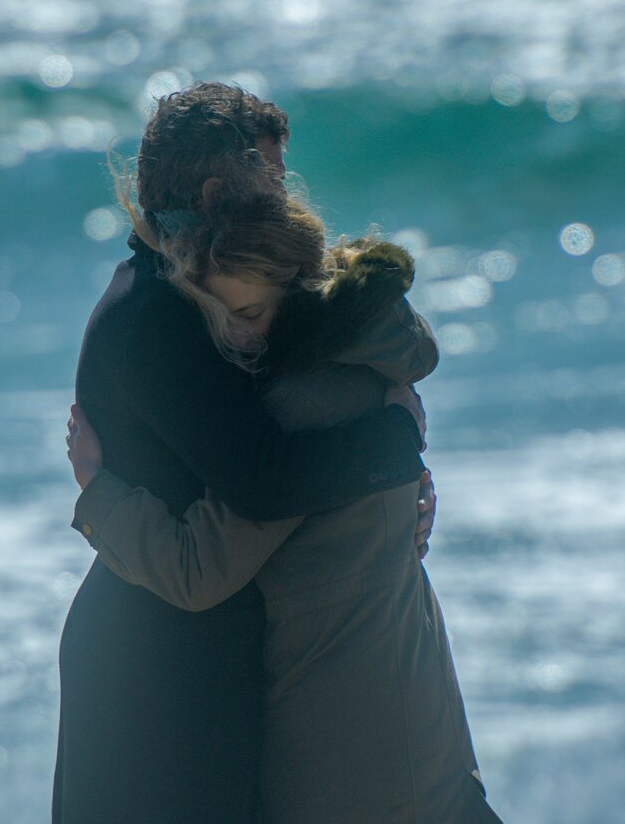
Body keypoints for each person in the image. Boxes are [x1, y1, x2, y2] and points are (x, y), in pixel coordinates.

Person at [52, 83, 435, 823]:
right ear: (217, 189)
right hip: (152, 660)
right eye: (271, 176)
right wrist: (396, 440)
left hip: (196, 645)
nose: (283, 194)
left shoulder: (213, 290)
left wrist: (403, 480)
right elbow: (265, 480)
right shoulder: (157, 315)